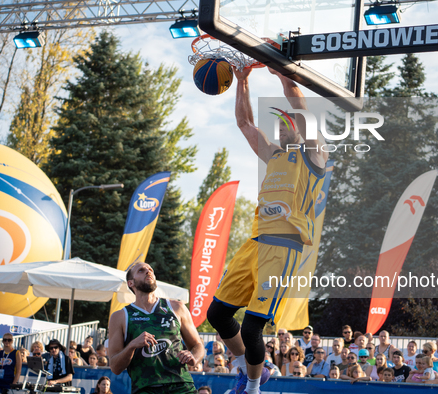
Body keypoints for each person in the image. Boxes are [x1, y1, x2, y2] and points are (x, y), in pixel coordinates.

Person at [205, 66, 328, 394]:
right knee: (217, 313)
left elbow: (299, 103)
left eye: (290, 126)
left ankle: (254, 387)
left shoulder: (313, 155)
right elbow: (245, 123)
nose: (284, 130)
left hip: (283, 246)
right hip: (254, 242)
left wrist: (282, 73)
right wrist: (242, 80)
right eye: (281, 126)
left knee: (251, 328)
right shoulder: (273, 154)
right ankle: (247, 367)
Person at [109, 262, 205, 394]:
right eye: (141, 270)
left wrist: (193, 356)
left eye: (150, 269)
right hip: (145, 388)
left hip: (181, 385)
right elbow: (115, 367)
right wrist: (132, 345)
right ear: (130, 283)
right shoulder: (120, 316)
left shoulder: (177, 307)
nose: (148, 271)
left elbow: (198, 345)